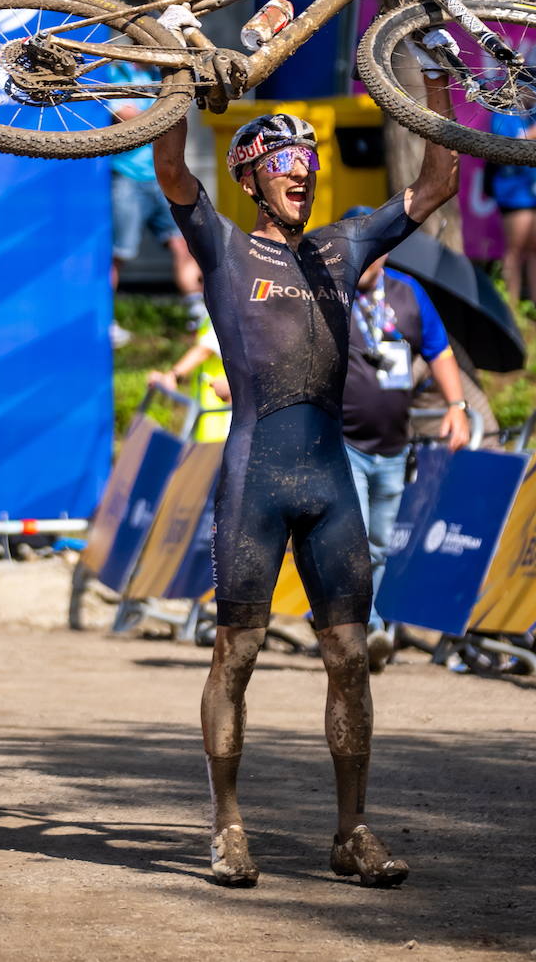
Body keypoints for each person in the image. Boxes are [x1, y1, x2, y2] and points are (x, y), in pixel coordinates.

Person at [153, 94, 458, 890]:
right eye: (285, 161)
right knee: (239, 651)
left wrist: (432, 77)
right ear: (252, 177)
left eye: (309, 160)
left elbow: (437, 182)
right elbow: (170, 169)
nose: (304, 171)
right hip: (254, 475)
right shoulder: (223, 246)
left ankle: (351, 833)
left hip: (332, 479)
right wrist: (180, 89)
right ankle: (227, 828)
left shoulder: (341, 246)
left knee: (350, 656)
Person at [338, 207, 470, 673]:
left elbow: (439, 351)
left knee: (378, 544)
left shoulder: (408, 295)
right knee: (351, 540)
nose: (366, 257)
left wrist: (457, 408)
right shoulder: (330, 294)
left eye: (374, 247)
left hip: (394, 446)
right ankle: (366, 630)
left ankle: (360, 628)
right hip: (344, 444)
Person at [109, 60, 206, 349]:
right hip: (125, 176)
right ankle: (105, 320)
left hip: (160, 176)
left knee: (183, 246)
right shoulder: (114, 73)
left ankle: (198, 314)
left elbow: (177, 112)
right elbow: (126, 116)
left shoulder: (158, 74)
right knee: (120, 254)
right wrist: (166, 110)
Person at [486, 103, 536, 310]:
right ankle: (512, 307)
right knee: (515, 250)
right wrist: (532, 134)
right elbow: (505, 147)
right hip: (512, 192)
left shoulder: (535, 114)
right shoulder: (502, 114)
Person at [148, 315, 231, 443]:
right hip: (209, 409)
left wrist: (173, 375)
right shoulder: (213, 311)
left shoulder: (226, 310)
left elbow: (204, 350)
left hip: (220, 411)